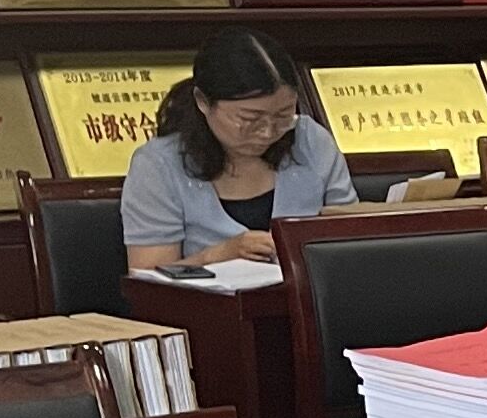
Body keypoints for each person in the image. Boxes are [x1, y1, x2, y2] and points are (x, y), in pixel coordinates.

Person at [119, 31, 355, 271]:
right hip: (208, 296)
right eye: (249, 119)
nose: (267, 132)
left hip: (313, 294)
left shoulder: (311, 141)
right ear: (203, 102)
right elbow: (148, 278)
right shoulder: (159, 165)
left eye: (283, 116)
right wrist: (218, 255)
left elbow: (352, 238)